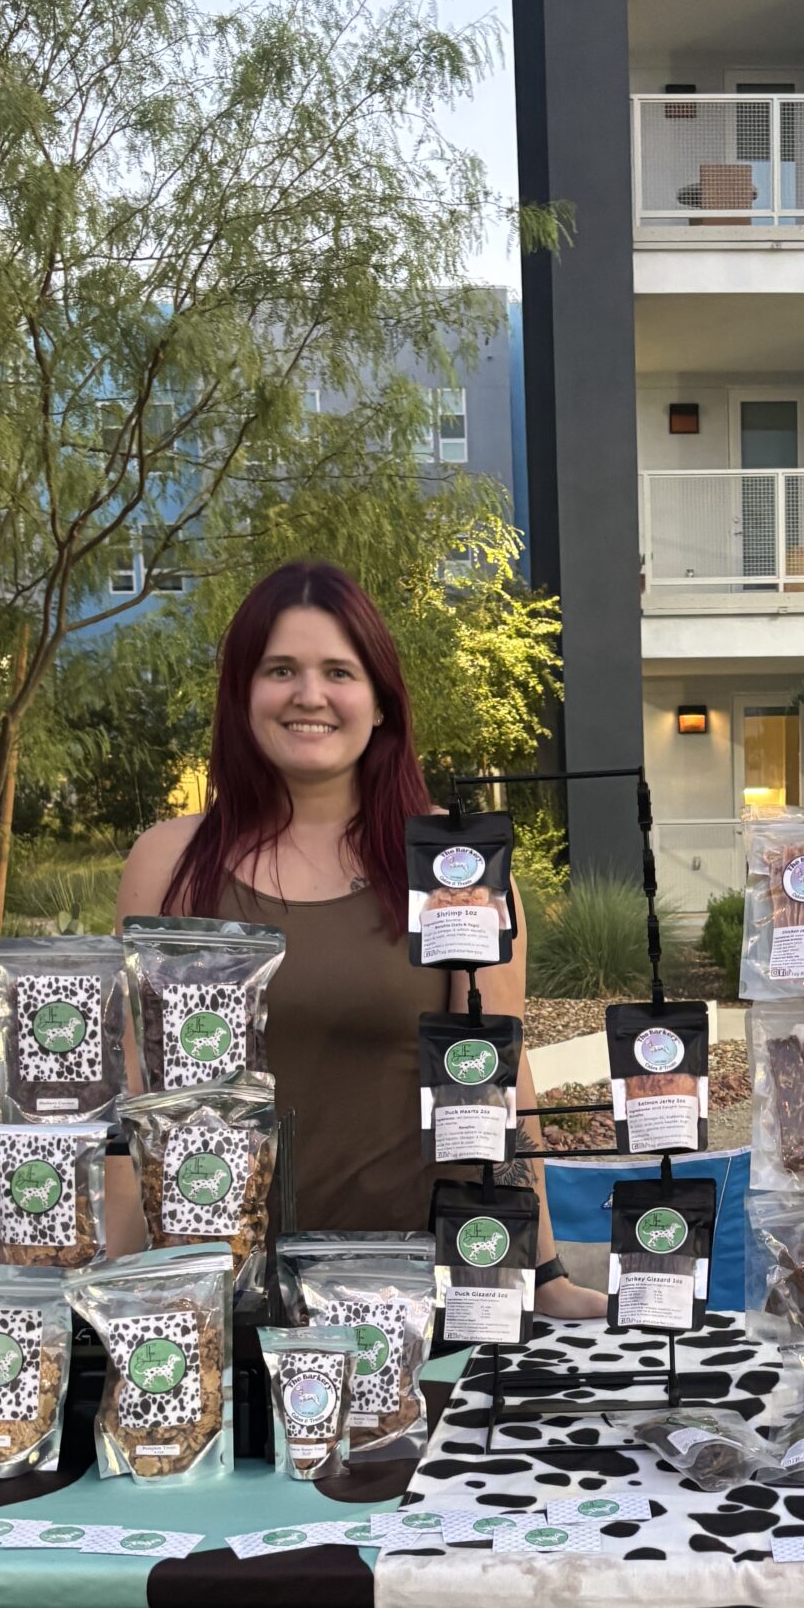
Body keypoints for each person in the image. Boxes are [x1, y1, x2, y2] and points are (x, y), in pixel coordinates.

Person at [112, 559, 605, 1317]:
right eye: (281, 669)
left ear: (380, 703)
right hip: (213, 1308)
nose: (309, 695)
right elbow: (132, 1095)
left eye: (338, 672)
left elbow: (493, 1076)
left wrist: (541, 1277)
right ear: (242, 694)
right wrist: (116, 1292)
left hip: (407, 1309)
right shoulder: (168, 863)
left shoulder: (455, 864)